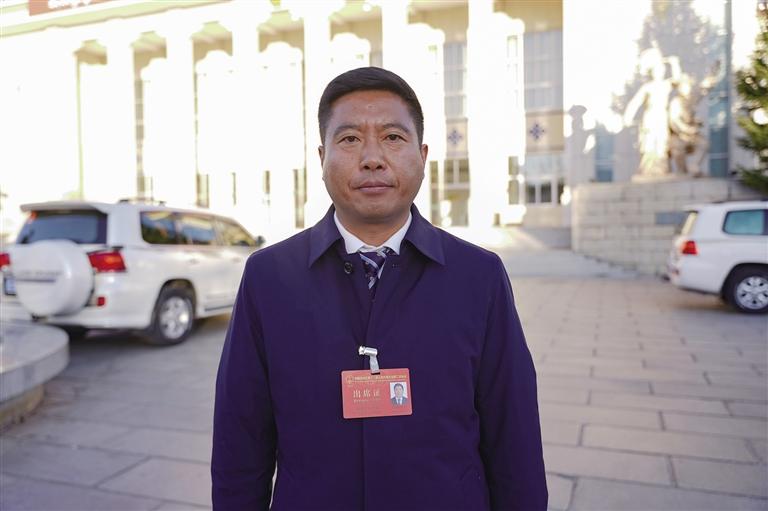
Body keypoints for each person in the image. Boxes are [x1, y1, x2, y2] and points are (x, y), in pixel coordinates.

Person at [212, 66, 547, 510]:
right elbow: (240, 438)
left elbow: (514, 435)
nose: (372, 157)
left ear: (422, 155)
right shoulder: (268, 277)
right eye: (350, 139)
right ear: (322, 157)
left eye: (392, 137)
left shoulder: (479, 275)